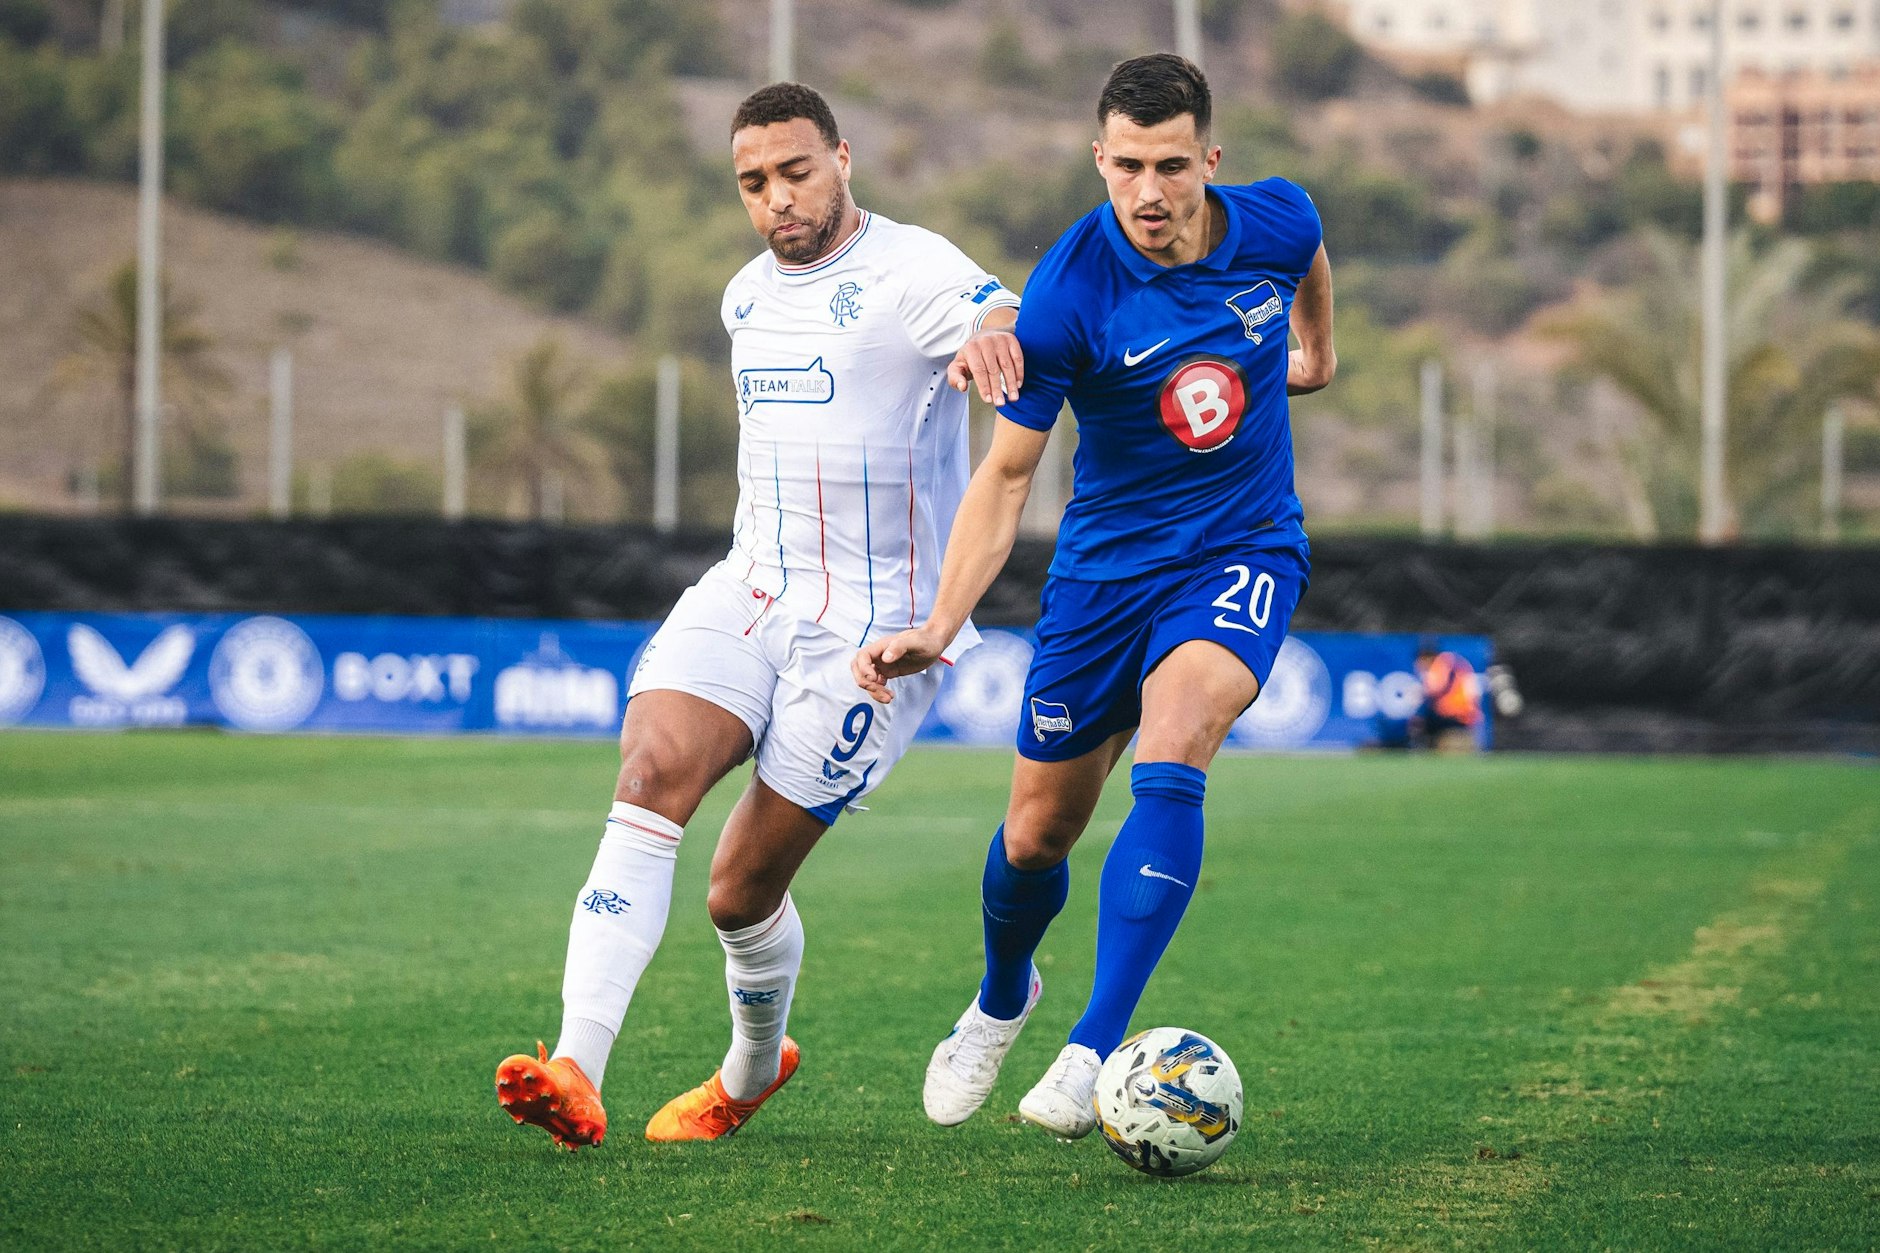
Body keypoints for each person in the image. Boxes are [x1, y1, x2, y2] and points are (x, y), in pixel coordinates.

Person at [494, 82, 1022, 1149]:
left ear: (840, 156)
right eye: (752, 183)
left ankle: (748, 1067)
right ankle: (574, 1066)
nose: (776, 198)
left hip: (874, 632)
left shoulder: (908, 267)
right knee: (647, 776)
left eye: (794, 171)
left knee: (737, 892)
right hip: (752, 583)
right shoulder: (741, 297)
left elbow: (989, 308)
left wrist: (992, 340)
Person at [854, 52, 1336, 1140]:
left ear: (1208, 160)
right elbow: (1006, 474)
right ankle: (999, 998)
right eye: (1127, 166)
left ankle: (1089, 1050)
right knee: (1034, 836)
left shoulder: (1275, 219)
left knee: (1175, 750)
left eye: (1171, 165)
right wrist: (940, 624)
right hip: (1102, 578)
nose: (1149, 192)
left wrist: (1316, 346)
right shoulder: (1069, 293)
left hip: (1242, 547)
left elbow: (1307, 254)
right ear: (1098, 160)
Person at [1412, 636, 1483, 750]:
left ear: (1427, 657)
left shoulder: (1443, 661)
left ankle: (1419, 750)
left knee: (1419, 721)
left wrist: (1418, 691)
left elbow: (1436, 688)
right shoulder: (1451, 660)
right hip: (1462, 713)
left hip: (1456, 713)